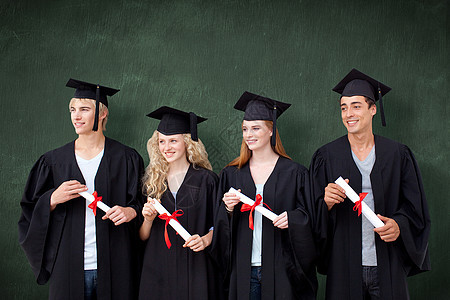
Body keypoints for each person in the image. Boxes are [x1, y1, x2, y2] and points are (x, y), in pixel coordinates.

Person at [18, 79, 145, 300]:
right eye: (72, 110)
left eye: (84, 109)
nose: (76, 116)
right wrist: (52, 199)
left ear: (102, 113)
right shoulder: (53, 162)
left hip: (117, 264)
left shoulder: (127, 158)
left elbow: (144, 204)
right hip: (67, 266)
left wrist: (130, 211)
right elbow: (29, 210)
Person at [310, 69, 431, 299]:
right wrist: (324, 203)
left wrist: (399, 225)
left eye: (356, 106)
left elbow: (415, 208)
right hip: (343, 266)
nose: (348, 114)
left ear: (372, 109)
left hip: (388, 265)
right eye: (343, 107)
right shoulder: (326, 156)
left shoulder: (397, 154)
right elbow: (309, 216)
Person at [212, 92, 317, 300]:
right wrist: (228, 209)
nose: (249, 134)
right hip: (243, 270)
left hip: (282, 270)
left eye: (256, 128)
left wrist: (293, 218)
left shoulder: (295, 173)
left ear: (271, 130)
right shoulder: (231, 174)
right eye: (245, 129)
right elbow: (219, 227)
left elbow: (311, 218)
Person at [139, 106, 223, 300]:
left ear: (187, 143)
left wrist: (205, 240)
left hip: (197, 268)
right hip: (158, 269)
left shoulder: (207, 180)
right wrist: (148, 219)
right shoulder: (152, 181)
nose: (166, 147)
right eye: (162, 141)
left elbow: (220, 225)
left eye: (173, 141)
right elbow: (142, 236)